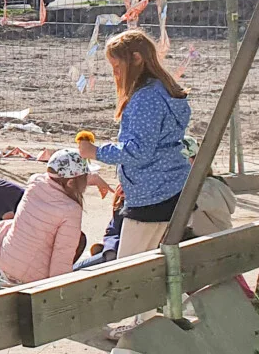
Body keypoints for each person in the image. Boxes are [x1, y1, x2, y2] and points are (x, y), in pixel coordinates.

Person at [75, 29, 191, 258]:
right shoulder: (164, 90)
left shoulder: (145, 98)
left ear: (136, 58)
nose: (115, 73)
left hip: (151, 197)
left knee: (129, 268)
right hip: (172, 187)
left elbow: (139, 151)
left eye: (117, 66)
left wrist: (96, 152)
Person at [0, 150, 90, 286]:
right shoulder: (70, 209)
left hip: (2, 264)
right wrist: (58, 287)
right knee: (79, 239)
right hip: (30, 279)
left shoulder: (35, 183)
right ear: (70, 183)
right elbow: (62, 254)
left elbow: (56, 177)